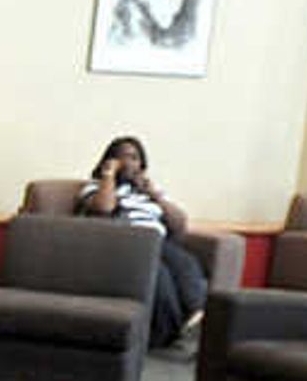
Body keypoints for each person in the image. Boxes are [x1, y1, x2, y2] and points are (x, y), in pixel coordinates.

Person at [74, 134, 209, 346]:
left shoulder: (147, 194)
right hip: (128, 243)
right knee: (160, 277)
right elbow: (103, 209)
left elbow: (179, 223)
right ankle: (168, 335)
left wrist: (155, 194)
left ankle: (197, 317)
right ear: (110, 160)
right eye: (124, 157)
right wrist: (108, 175)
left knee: (186, 264)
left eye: (136, 158)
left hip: (158, 240)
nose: (130, 162)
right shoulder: (96, 187)